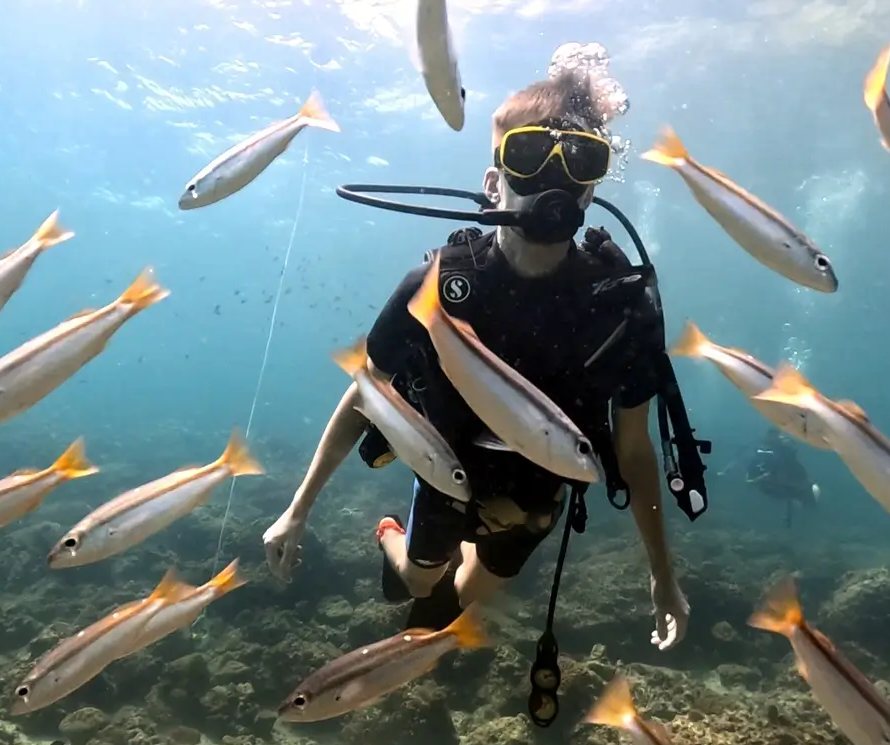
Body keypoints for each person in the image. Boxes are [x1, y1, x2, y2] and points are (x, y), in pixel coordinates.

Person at [262, 67, 707, 661]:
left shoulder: (619, 307)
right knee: (415, 584)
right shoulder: (438, 286)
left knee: (467, 596)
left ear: (591, 191)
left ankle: (448, 579)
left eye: (582, 161)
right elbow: (367, 391)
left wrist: (662, 574)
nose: (554, 182)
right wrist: (297, 510)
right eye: (528, 155)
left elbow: (634, 448)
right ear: (493, 183)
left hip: (538, 495)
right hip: (445, 468)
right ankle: (391, 534)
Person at [743, 428, 819, 527]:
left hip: (785, 485)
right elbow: (750, 480)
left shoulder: (792, 468)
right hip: (780, 485)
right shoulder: (765, 459)